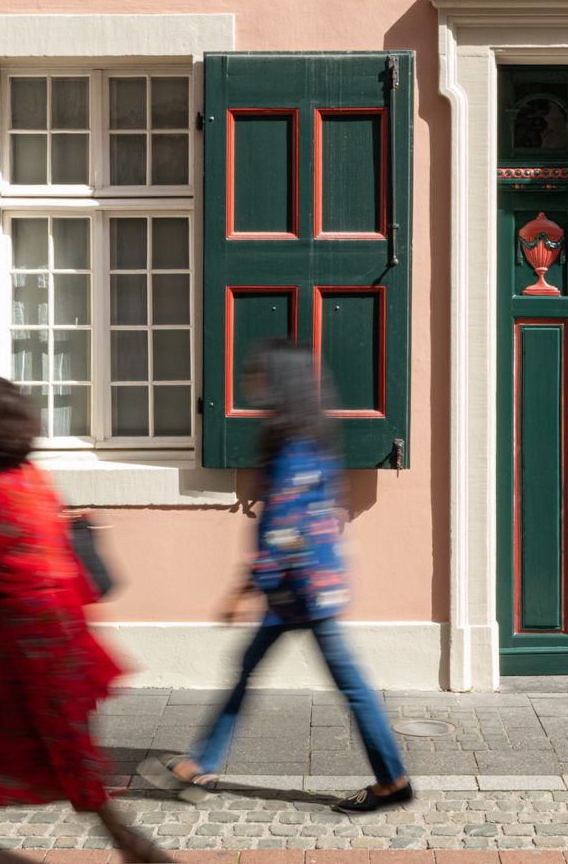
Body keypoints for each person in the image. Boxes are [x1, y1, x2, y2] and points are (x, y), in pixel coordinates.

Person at [0, 374, 168, 864]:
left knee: (65, 752)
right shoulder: (37, 484)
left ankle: (133, 847)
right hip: (54, 642)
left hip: (22, 654)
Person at [171, 343, 413, 813]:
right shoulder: (311, 438)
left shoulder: (294, 448)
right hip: (304, 588)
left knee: (350, 688)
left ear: (282, 383)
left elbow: (283, 533)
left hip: (302, 592)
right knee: (252, 672)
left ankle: (392, 779)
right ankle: (200, 762)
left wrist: (243, 591)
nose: (253, 384)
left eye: (261, 375)